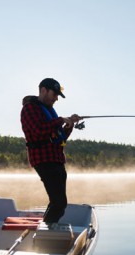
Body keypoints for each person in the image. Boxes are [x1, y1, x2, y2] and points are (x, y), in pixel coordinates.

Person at [20, 78, 81, 224]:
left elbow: (59, 138)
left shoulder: (48, 110)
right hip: (43, 160)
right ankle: (45, 233)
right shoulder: (29, 108)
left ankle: (47, 227)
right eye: (54, 94)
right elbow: (39, 130)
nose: (56, 99)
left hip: (57, 160)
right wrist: (61, 120)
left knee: (57, 202)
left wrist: (69, 125)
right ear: (43, 90)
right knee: (59, 203)